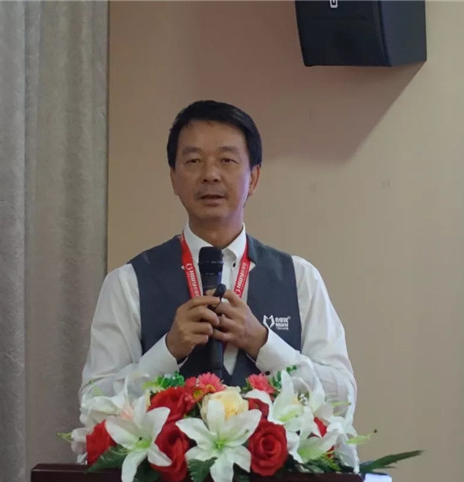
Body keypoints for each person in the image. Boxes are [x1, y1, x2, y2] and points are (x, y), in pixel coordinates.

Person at [80, 100, 356, 411]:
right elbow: (93, 406)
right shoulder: (128, 282)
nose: (210, 174)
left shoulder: (300, 278)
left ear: (253, 178)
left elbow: (343, 400)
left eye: (226, 160)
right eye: (194, 161)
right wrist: (167, 351)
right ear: (173, 178)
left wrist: (264, 344)